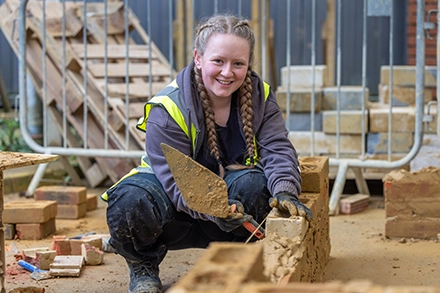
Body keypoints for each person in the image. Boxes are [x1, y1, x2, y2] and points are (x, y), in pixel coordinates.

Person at [101, 13, 312, 293]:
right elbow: (177, 181)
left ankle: (239, 261)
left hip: (234, 212)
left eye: (238, 63)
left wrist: (285, 190)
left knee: (257, 186)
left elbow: (277, 147)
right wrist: (214, 210)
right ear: (198, 58)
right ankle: (143, 267)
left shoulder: (260, 96)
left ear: (249, 64)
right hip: (173, 207)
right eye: (218, 61)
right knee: (129, 199)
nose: (227, 72)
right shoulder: (168, 108)